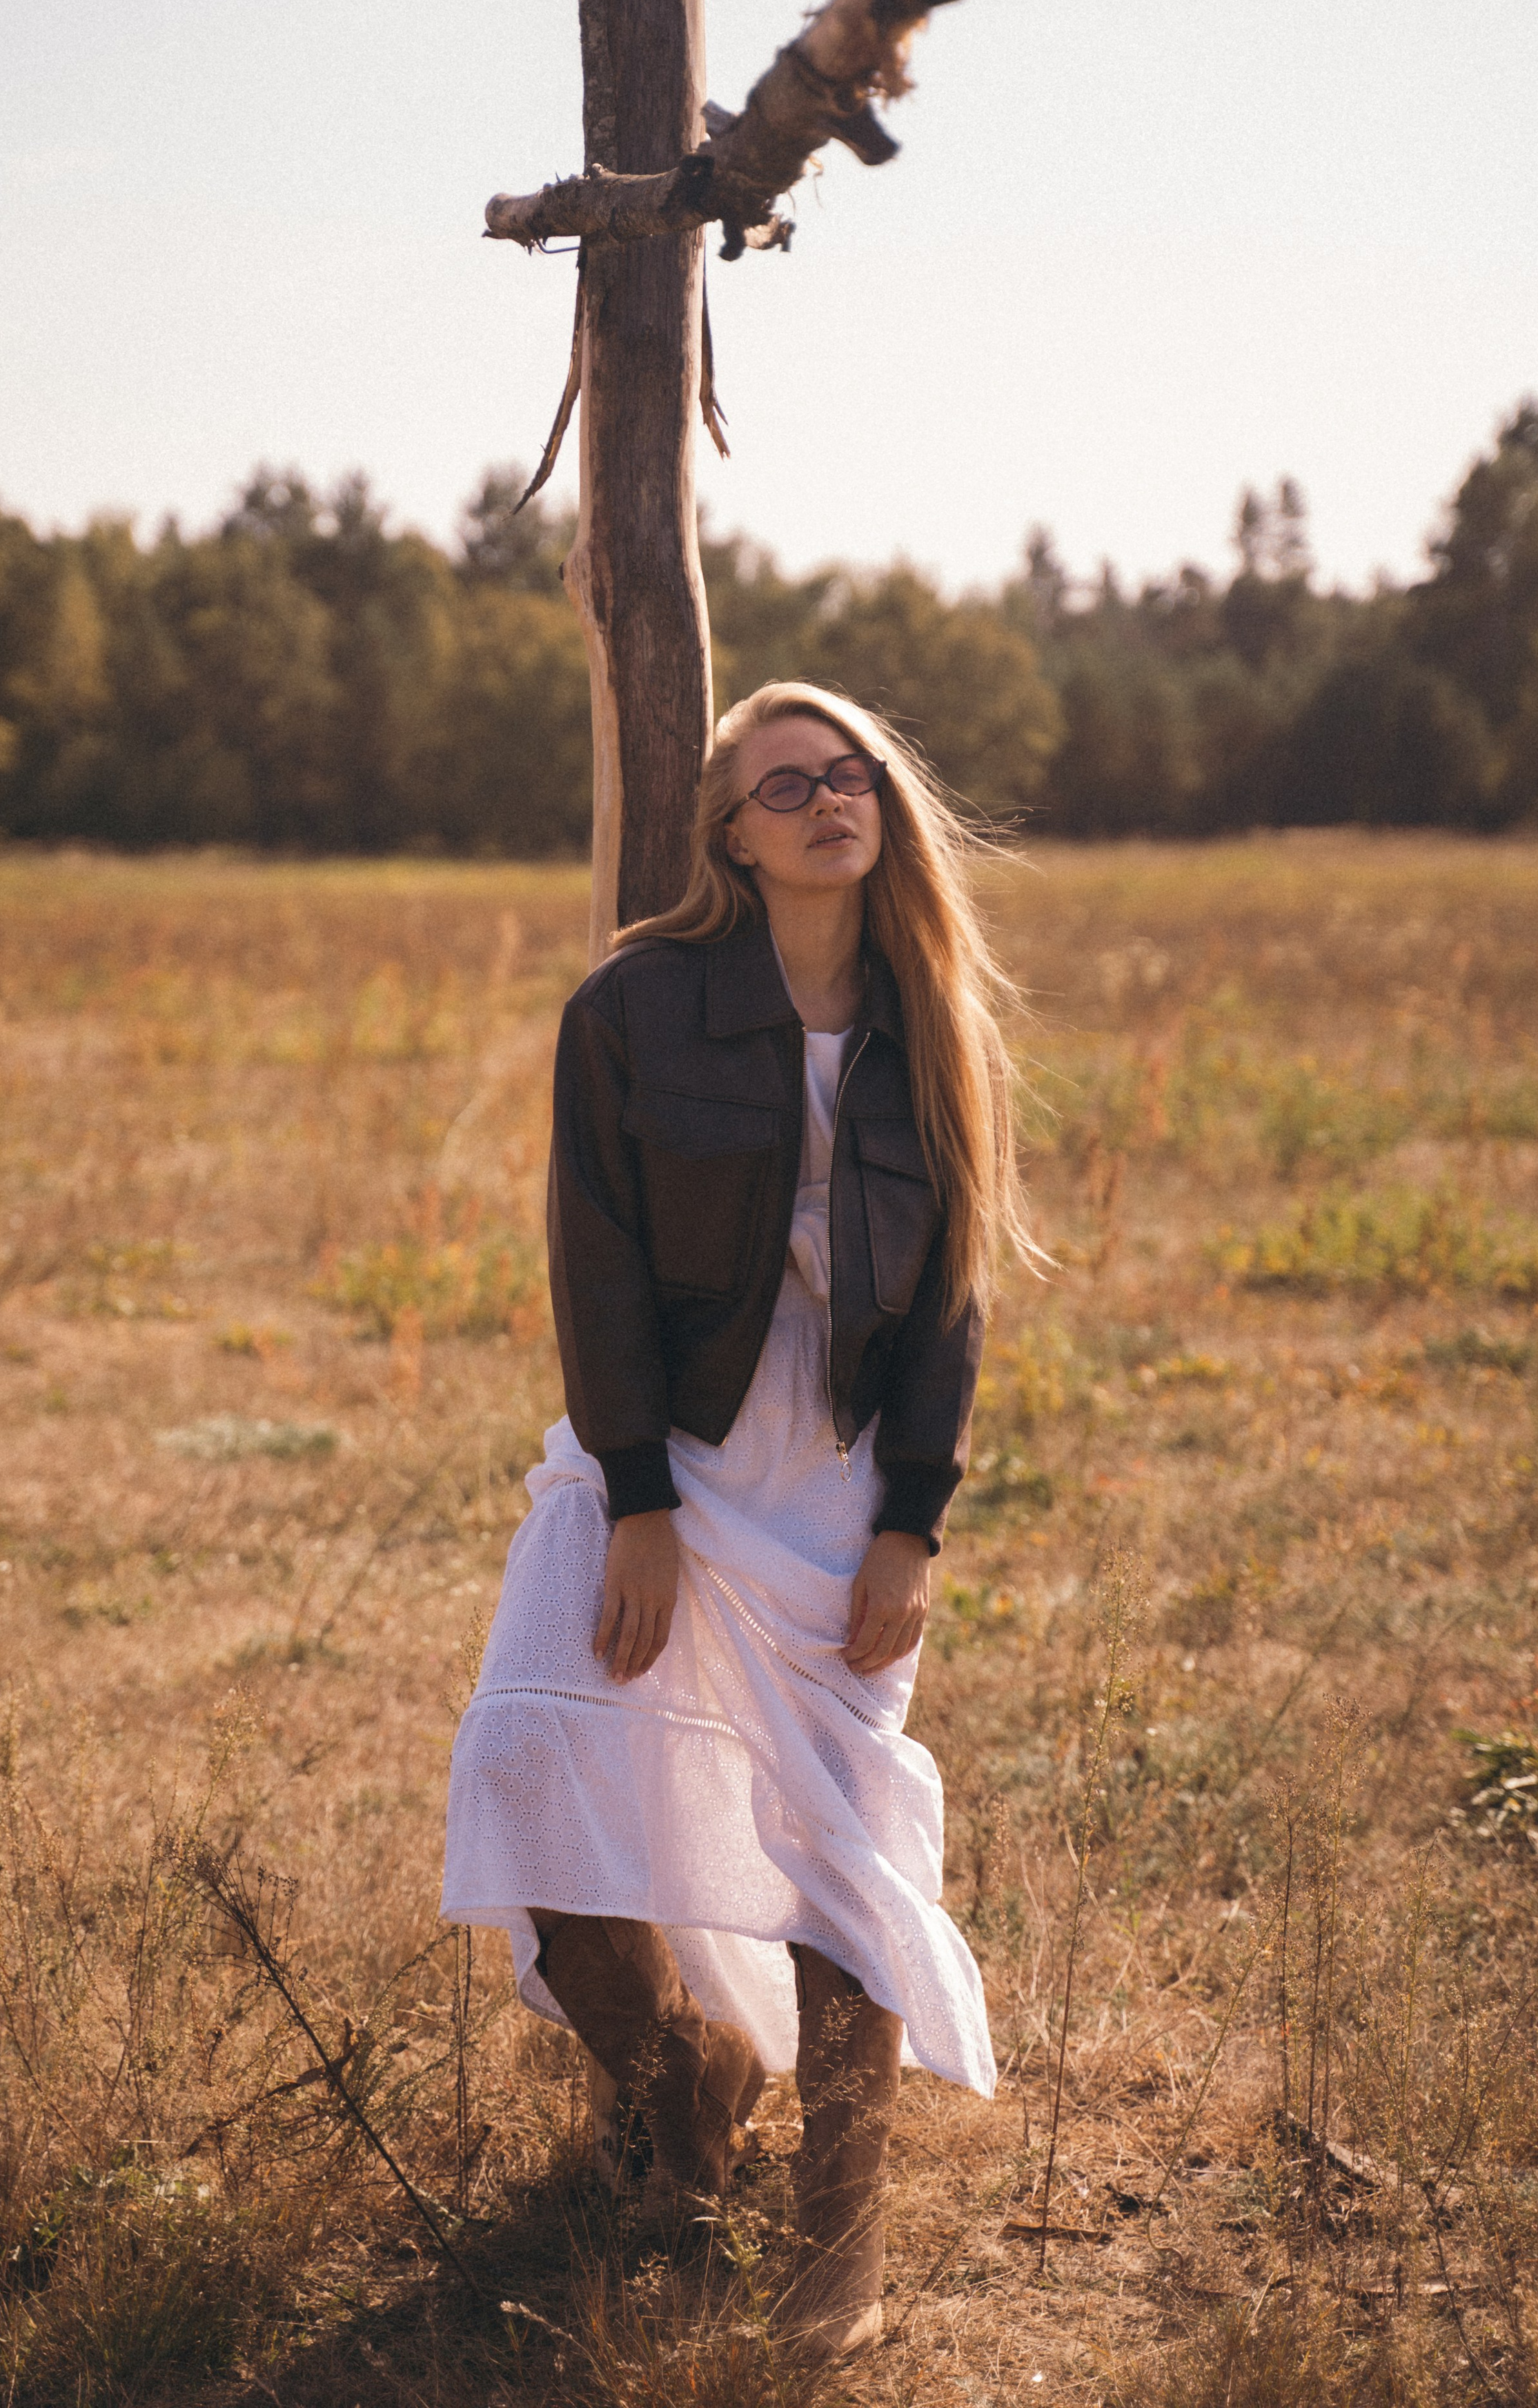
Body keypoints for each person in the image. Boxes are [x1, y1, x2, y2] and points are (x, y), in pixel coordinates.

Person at [442, 680, 1034, 2358]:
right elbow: (598, 1259)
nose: (827, 801)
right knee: (527, 1756)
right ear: (728, 832)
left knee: (839, 1848)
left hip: (837, 1473)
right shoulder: (631, 1008)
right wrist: (632, 1498)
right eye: (786, 786)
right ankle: (675, 2073)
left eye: (847, 776)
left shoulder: (935, 1018)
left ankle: (831, 2243)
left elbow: (954, 1302)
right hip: (659, 1452)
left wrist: (909, 1523)